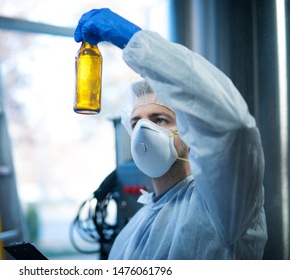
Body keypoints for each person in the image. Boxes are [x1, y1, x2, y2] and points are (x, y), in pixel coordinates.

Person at [74, 8, 267, 259]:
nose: (144, 132)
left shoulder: (220, 210)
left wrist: (136, 42)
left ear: (191, 133)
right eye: (135, 123)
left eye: (160, 119)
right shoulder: (132, 230)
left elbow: (231, 127)